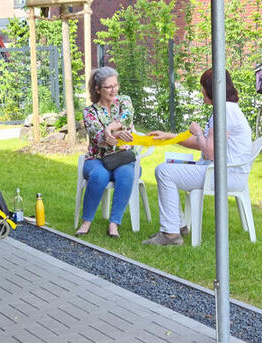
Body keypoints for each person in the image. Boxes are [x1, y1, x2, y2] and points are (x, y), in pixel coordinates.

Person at [143, 68, 252, 246]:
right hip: (222, 171)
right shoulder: (226, 108)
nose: (201, 91)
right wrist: (169, 137)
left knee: (164, 171)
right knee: (168, 166)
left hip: (225, 175)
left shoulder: (224, 111)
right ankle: (178, 226)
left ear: (211, 89)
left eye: (203, 87)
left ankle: (171, 234)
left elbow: (210, 153)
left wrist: (199, 132)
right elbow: (203, 144)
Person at [77, 67, 137, 239]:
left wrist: (110, 129)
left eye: (115, 85)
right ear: (97, 89)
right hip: (97, 157)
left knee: (126, 174)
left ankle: (114, 224)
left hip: (123, 157)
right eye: (108, 87)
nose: (113, 90)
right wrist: (114, 135)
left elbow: (127, 116)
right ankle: (86, 222)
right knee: (99, 175)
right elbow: (97, 137)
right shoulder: (89, 112)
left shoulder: (124, 100)